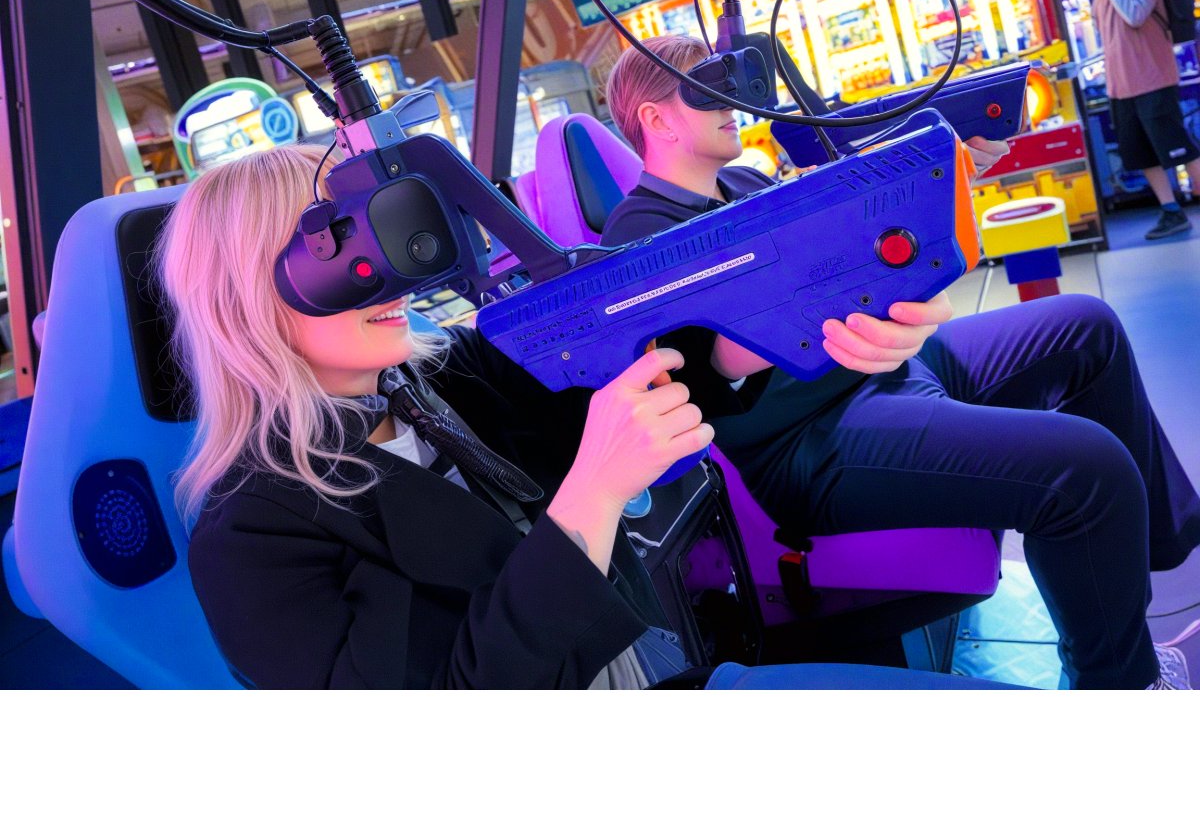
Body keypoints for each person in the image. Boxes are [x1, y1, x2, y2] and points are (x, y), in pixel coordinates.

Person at [158, 143, 1011, 691]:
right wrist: (591, 497)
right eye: (341, 251)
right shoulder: (251, 538)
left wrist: (799, 327)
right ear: (248, 295)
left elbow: (636, 375)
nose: (393, 278)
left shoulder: (441, 377)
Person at [602, 34, 1200, 690]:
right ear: (656, 119)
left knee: (1088, 328)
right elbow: (693, 376)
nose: (731, 102)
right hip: (809, 442)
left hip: (885, 371)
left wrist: (947, 174)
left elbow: (851, 240)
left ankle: (1132, 580)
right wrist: (807, 311)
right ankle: (1121, 685)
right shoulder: (636, 237)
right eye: (706, 88)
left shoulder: (742, 184)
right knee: (1087, 468)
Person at [1070, 0, 1200, 240]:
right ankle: (1171, 210)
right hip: (1120, 89)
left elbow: (1135, 16)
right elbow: (1109, 41)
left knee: (1179, 147)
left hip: (1154, 82)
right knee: (1142, 155)